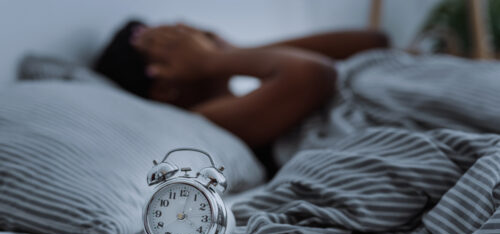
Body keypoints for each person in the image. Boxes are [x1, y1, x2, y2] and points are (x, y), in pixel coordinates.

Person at [95, 20, 389, 174]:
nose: (198, 31)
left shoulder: (258, 79)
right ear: (163, 87)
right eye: (177, 40)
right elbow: (315, 75)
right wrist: (213, 60)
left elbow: (374, 42)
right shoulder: (204, 120)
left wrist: (232, 51)